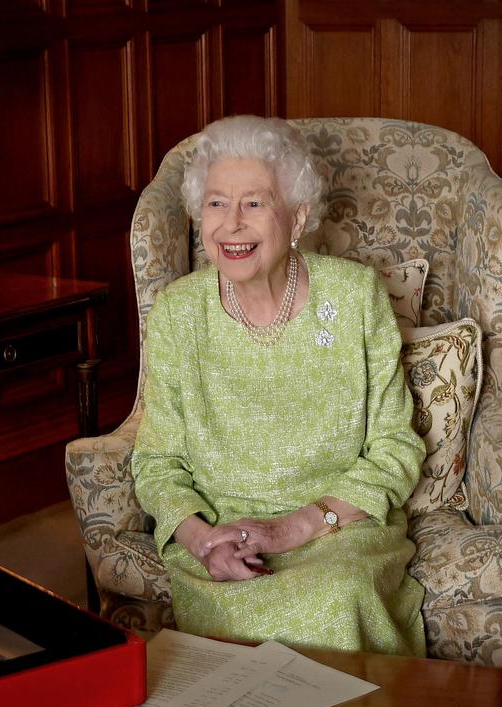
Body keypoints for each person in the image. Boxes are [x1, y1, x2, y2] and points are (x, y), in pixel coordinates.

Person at [131, 115, 427, 656]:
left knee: (337, 600)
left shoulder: (356, 297)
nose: (232, 225)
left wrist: (289, 531)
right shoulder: (177, 312)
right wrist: (203, 543)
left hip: (338, 530)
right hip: (221, 541)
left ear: (297, 218)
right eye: (217, 204)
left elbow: (394, 448)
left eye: (254, 203)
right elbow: (157, 464)